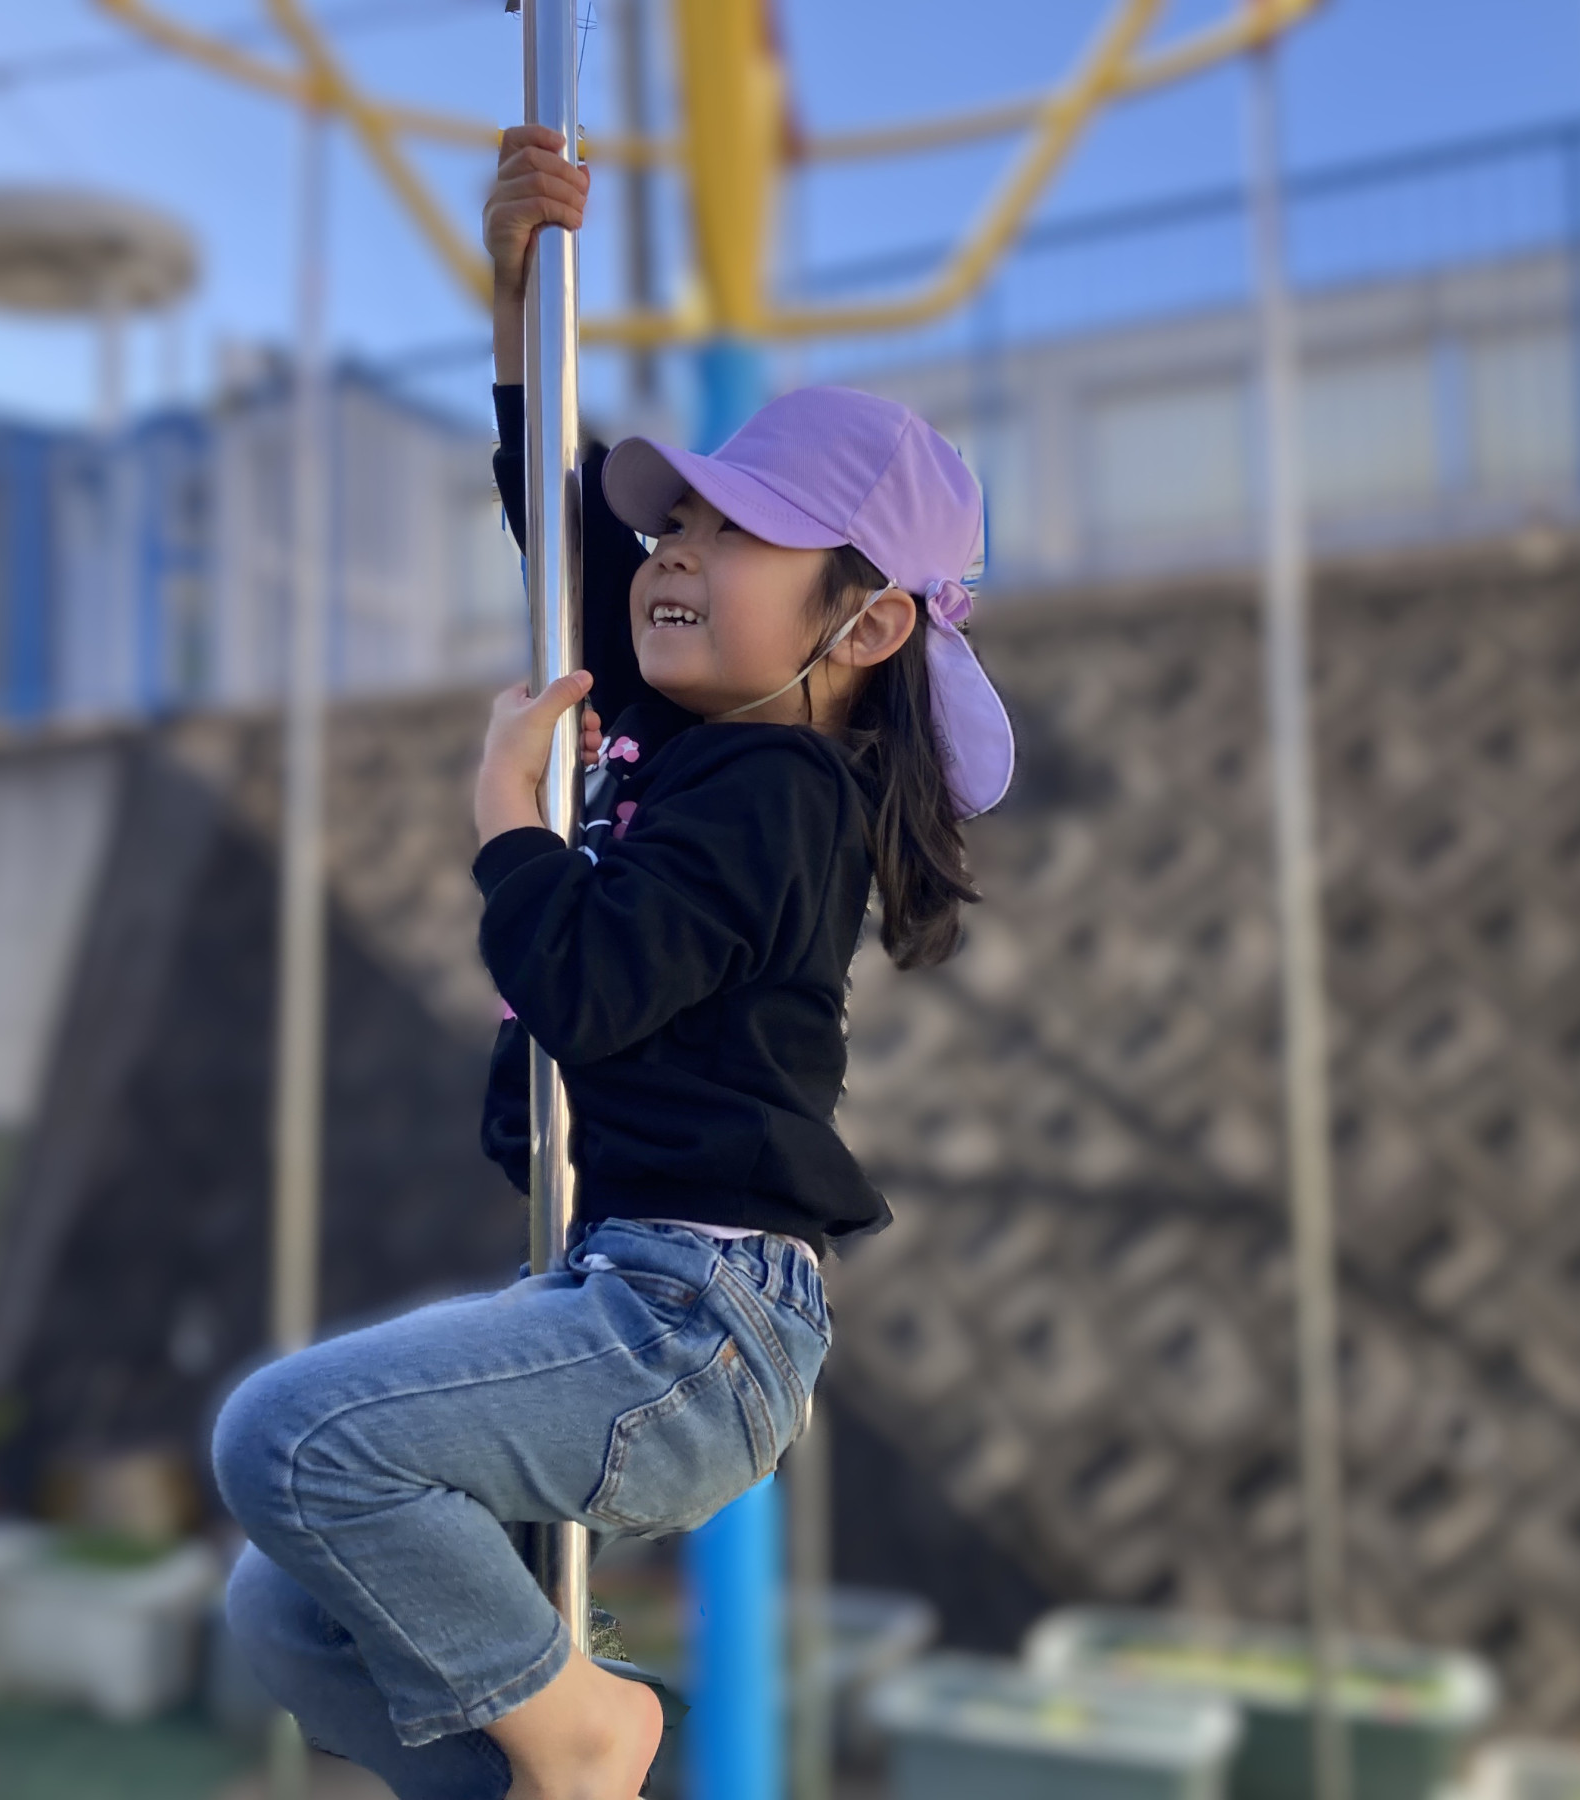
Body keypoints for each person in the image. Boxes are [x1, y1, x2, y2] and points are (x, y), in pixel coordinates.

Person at [214, 126, 1015, 1800]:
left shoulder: (779, 791)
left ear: (867, 623)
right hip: (615, 1285)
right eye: (680, 523)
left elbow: (588, 985)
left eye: (738, 534)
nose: (677, 552)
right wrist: (522, 298)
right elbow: (563, 526)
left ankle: (591, 1737)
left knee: (284, 1435)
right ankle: (546, 1771)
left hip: (693, 1325)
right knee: (284, 1608)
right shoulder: (691, 725)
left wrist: (508, 818)